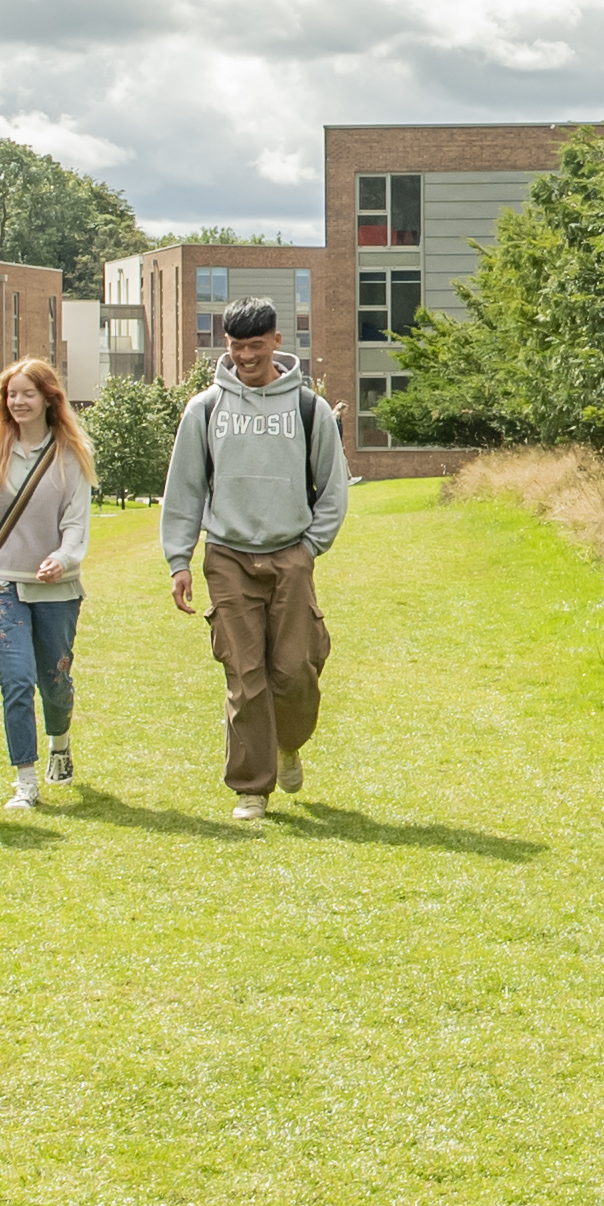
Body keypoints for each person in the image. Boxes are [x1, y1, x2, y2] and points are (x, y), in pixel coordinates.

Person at [158, 300, 346, 822]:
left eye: (255, 345)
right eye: (236, 346)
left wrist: (308, 550)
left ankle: (289, 743)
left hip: (290, 556)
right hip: (228, 557)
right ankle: (250, 788)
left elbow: (332, 492)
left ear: (276, 342)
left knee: (295, 673)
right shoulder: (205, 409)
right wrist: (179, 560)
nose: (245, 356)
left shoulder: (309, 409)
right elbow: (184, 491)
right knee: (245, 675)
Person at [0, 353, 93, 813]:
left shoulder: (70, 456)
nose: (18, 402)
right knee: (16, 680)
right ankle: (25, 781)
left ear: (49, 399)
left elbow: (76, 525)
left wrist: (63, 558)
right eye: (11, 395)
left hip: (56, 586)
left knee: (54, 682)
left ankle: (60, 744)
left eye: (28, 394)